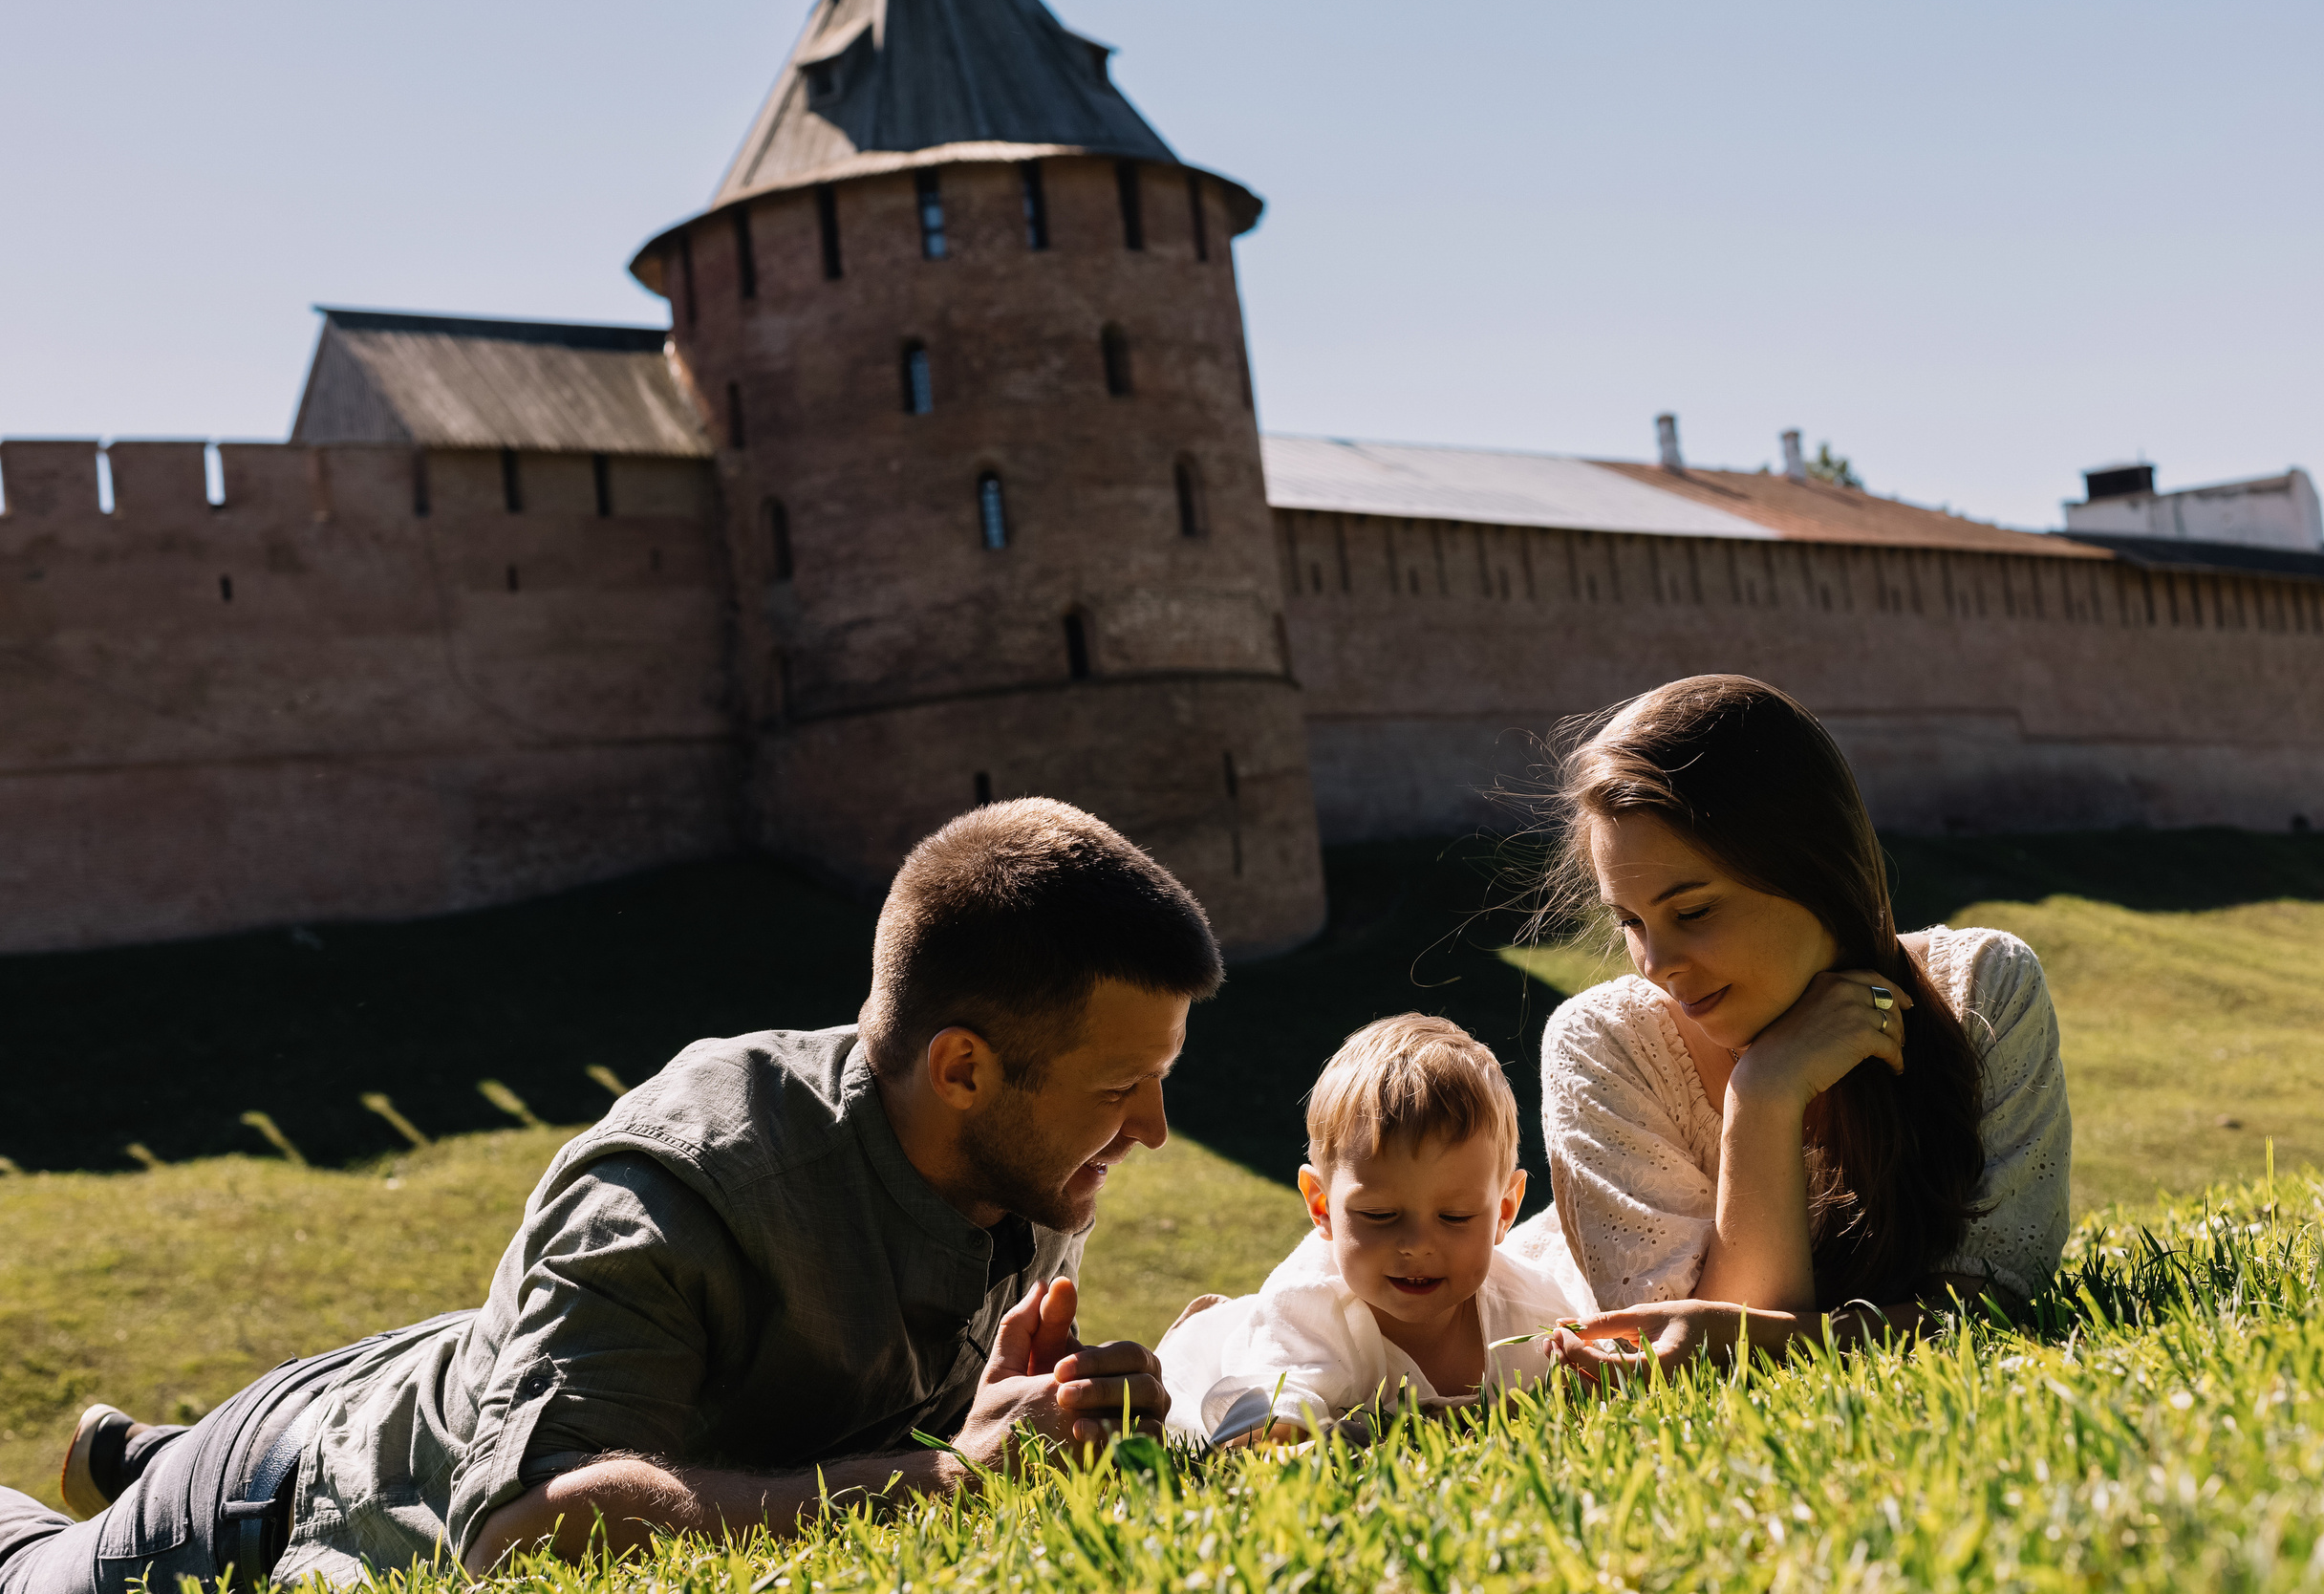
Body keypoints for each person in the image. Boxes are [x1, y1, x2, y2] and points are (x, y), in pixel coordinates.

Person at [2, 799, 1214, 1592]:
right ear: (962, 1068)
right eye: (1123, 1088)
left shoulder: (1026, 1152)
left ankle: (123, 1452)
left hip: (454, 1377)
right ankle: (121, 1490)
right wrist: (944, 1475)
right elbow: (520, 1537)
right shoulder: (685, 1182)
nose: (1154, 1132)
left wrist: (1022, 1414)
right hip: (280, 1508)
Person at [1507, 676, 2073, 1377]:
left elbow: (1996, 1305)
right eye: (1631, 922)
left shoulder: (1984, 991)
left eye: (1693, 912)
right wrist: (1764, 1095)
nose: (1657, 963)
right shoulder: (1605, 1046)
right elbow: (1684, 1360)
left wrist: (1776, 1337)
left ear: (1815, 868)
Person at [1158, 1015, 1585, 1444]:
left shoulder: (1533, 1314)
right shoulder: (1305, 1309)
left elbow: (1588, 1396)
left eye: (1455, 1216)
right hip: (1205, 1368)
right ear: (1321, 1205)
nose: (1417, 1246)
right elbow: (1258, 1445)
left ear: (1504, 1211)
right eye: (1379, 1215)